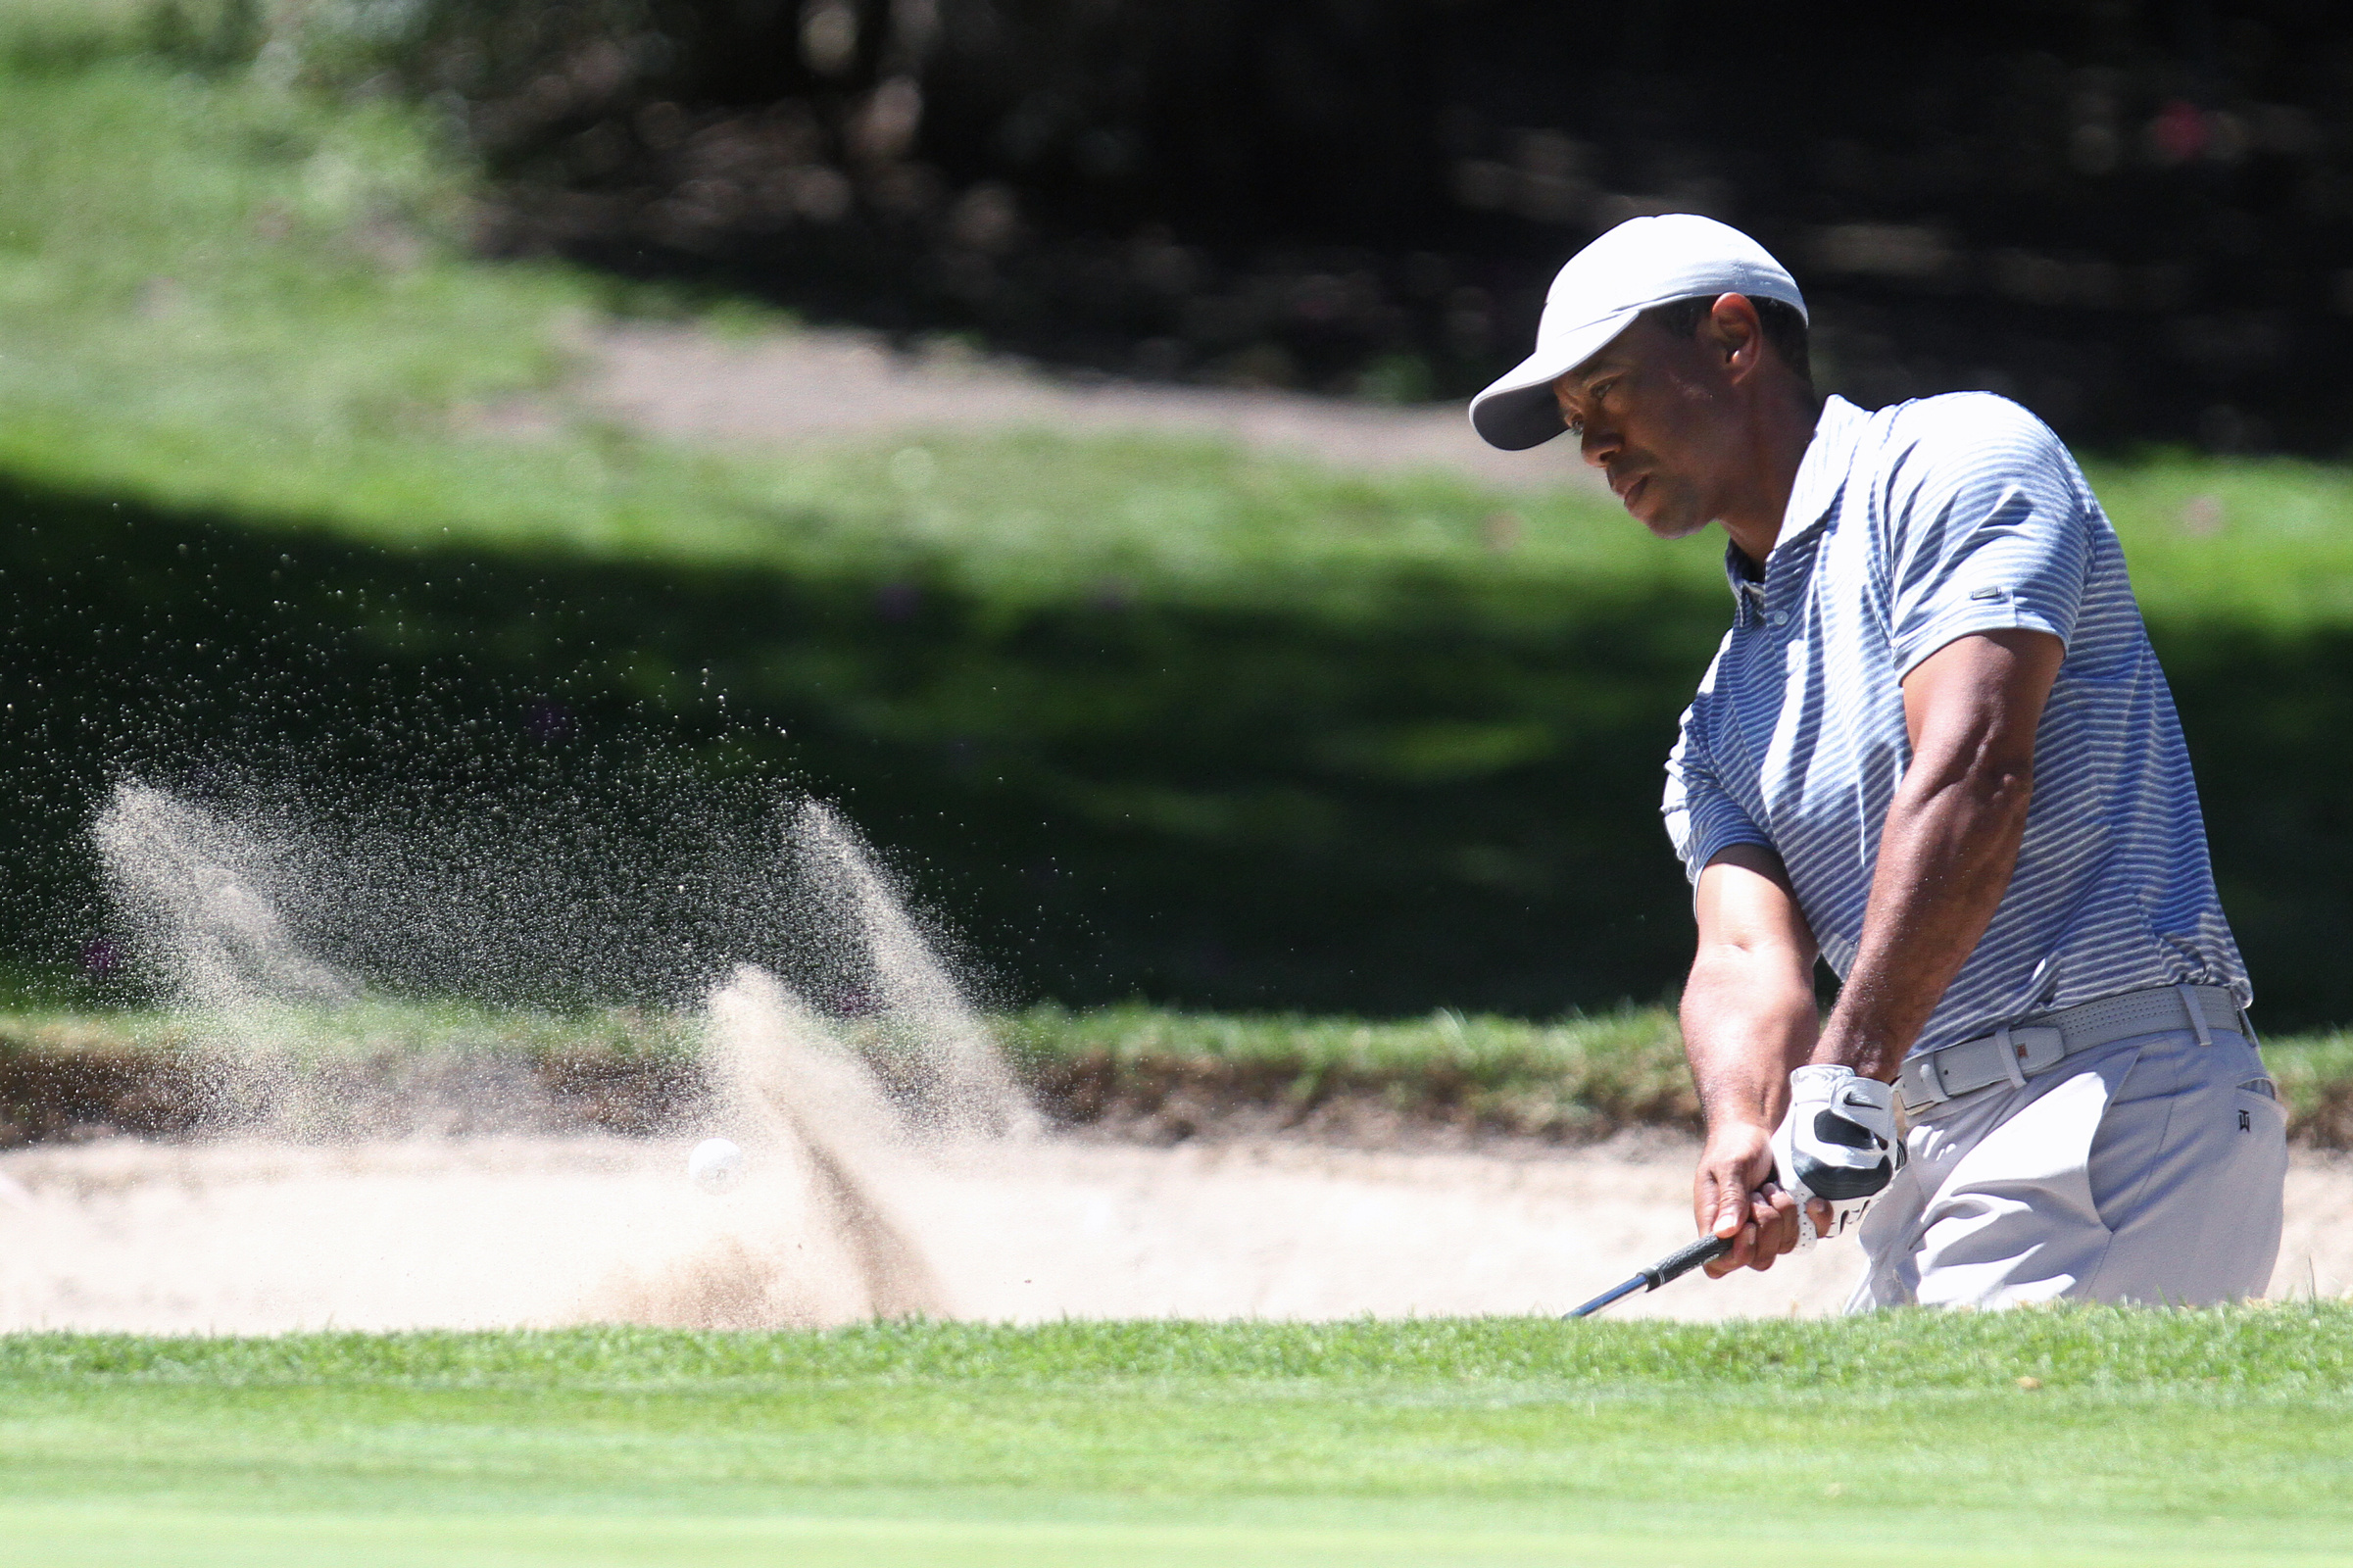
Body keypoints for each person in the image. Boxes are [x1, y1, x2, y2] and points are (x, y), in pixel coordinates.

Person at [1468, 215, 2286, 1308]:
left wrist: (1847, 1074)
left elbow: (1974, 775)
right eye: (1575, 420)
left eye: (1609, 391)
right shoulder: (1717, 722)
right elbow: (1745, 955)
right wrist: (1746, 1121)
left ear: (1731, 338)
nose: (1594, 445)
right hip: (1937, 1155)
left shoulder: (1957, 461)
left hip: (2109, 1109)